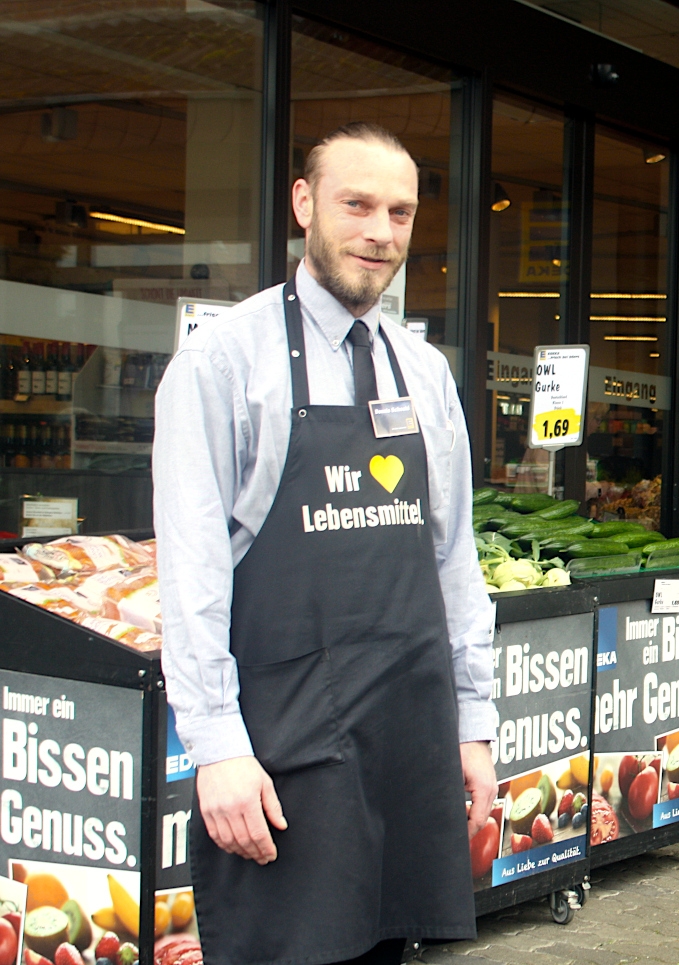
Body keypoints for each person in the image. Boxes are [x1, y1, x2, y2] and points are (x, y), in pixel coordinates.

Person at [153, 122, 497, 965]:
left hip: (405, 740)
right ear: (305, 204)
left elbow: (454, 560)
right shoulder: (224, 363)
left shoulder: (424, 373)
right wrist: (218, 748)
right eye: (358, 204)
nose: (382, 231)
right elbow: (192, 574)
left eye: (402, 212)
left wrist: (475, 720)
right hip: (284, 750)